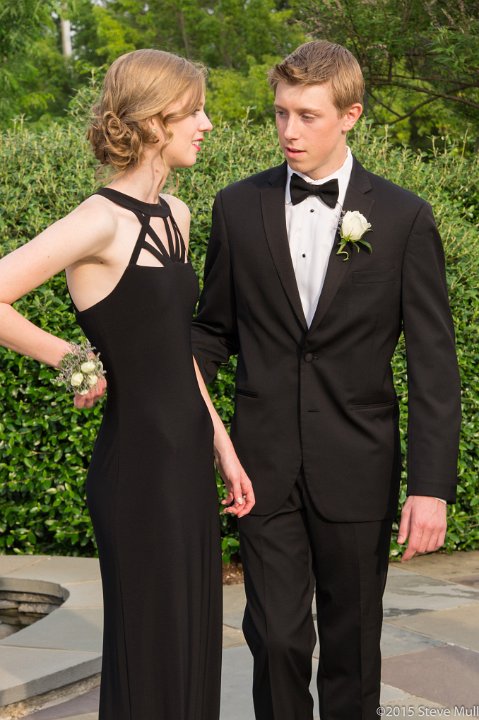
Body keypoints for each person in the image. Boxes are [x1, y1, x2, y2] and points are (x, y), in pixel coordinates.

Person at [191, 40, 461, 720]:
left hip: (359, 466)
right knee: (276, 639)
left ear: (350, 115)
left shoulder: (402, 217)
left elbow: (433, 363)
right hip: (262, 467)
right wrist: (162, 392)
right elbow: (212, 331)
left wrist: (430, 488)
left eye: (307, 116)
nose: (289, 131)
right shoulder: (236, 207)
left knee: (352, 649)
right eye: (281, 113)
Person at [0, 48, 255, 720]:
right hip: (139, 469)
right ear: (152, 120)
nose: (206, 124)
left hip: (186, 462)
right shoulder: (98, 219)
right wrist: (73, 360)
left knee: (192, 646)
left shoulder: (177, 214)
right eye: (193, 111)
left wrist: (222, 448)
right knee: (151, 652)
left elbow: (177, 353)